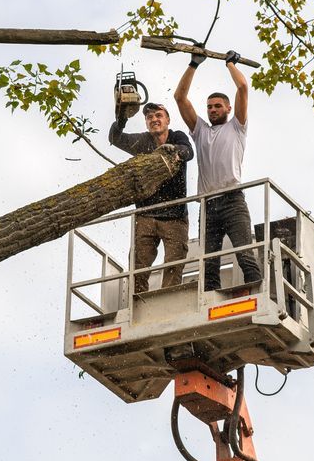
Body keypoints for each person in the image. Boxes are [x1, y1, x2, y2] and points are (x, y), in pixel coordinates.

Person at [173, 48, 262, 291]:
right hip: (208, 205)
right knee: (208, 264)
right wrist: (193, 64)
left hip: (233, 200)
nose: (212, 110)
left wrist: (230, 64)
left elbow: (243, 88)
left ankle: (255, 293)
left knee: (244, 255)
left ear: (228, 108)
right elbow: (180, 98)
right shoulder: (200, 130)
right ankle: (211, 300)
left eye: (217, 106)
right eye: (210, 107)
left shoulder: (237, 127)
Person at [109, 102, 195, 293]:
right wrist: (121, 120)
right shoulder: (143, 142)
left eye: (158, 115)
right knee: (139, 265)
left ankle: (168, 298)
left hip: (175, 215)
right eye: (149, 117)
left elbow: (188, 151)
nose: (154, 119)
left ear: (167, 120)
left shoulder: (177, 136)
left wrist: (175, 153)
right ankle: (138, 301)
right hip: (146, 214)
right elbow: (115, 138)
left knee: (174, 262)